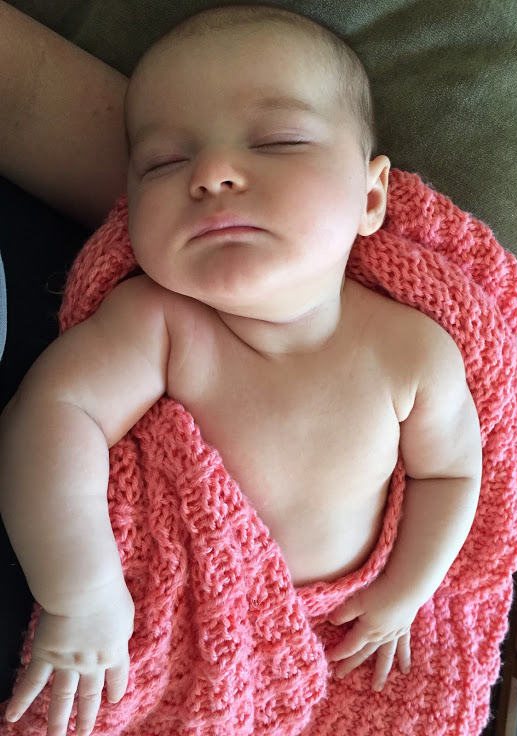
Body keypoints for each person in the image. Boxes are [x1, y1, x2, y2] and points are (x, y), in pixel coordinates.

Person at [0, 5, 482, 736]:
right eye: (164, 161)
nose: (212, 174)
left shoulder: (411, 353)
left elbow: (452, 475)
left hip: (341, 636)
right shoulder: (160, 324)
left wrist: (409, 589)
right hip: (193, 631)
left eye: (278, 141)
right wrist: (83, 593)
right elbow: (50, 416)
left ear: (371, 198)